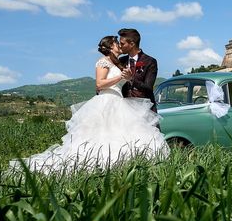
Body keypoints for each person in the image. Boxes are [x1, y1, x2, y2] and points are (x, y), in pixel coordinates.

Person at [10, 36, 169, 174]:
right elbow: (99, 85)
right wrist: (120, 77)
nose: (120, 46)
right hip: (106, 102)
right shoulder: (102, 62)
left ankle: (120, 164)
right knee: (99, 136)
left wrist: (127, 77)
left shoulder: (118, 63)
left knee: (119, 135)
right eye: (116, 43)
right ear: (110, 47)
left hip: (120, 102)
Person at [118, 28, 158, 111]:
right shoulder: (121, 61)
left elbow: (148, 87)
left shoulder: (150, 61)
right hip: (124, 111)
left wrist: (131, 79)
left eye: (122, 43)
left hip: (145, 110)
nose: (119, 45)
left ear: (132, 44)